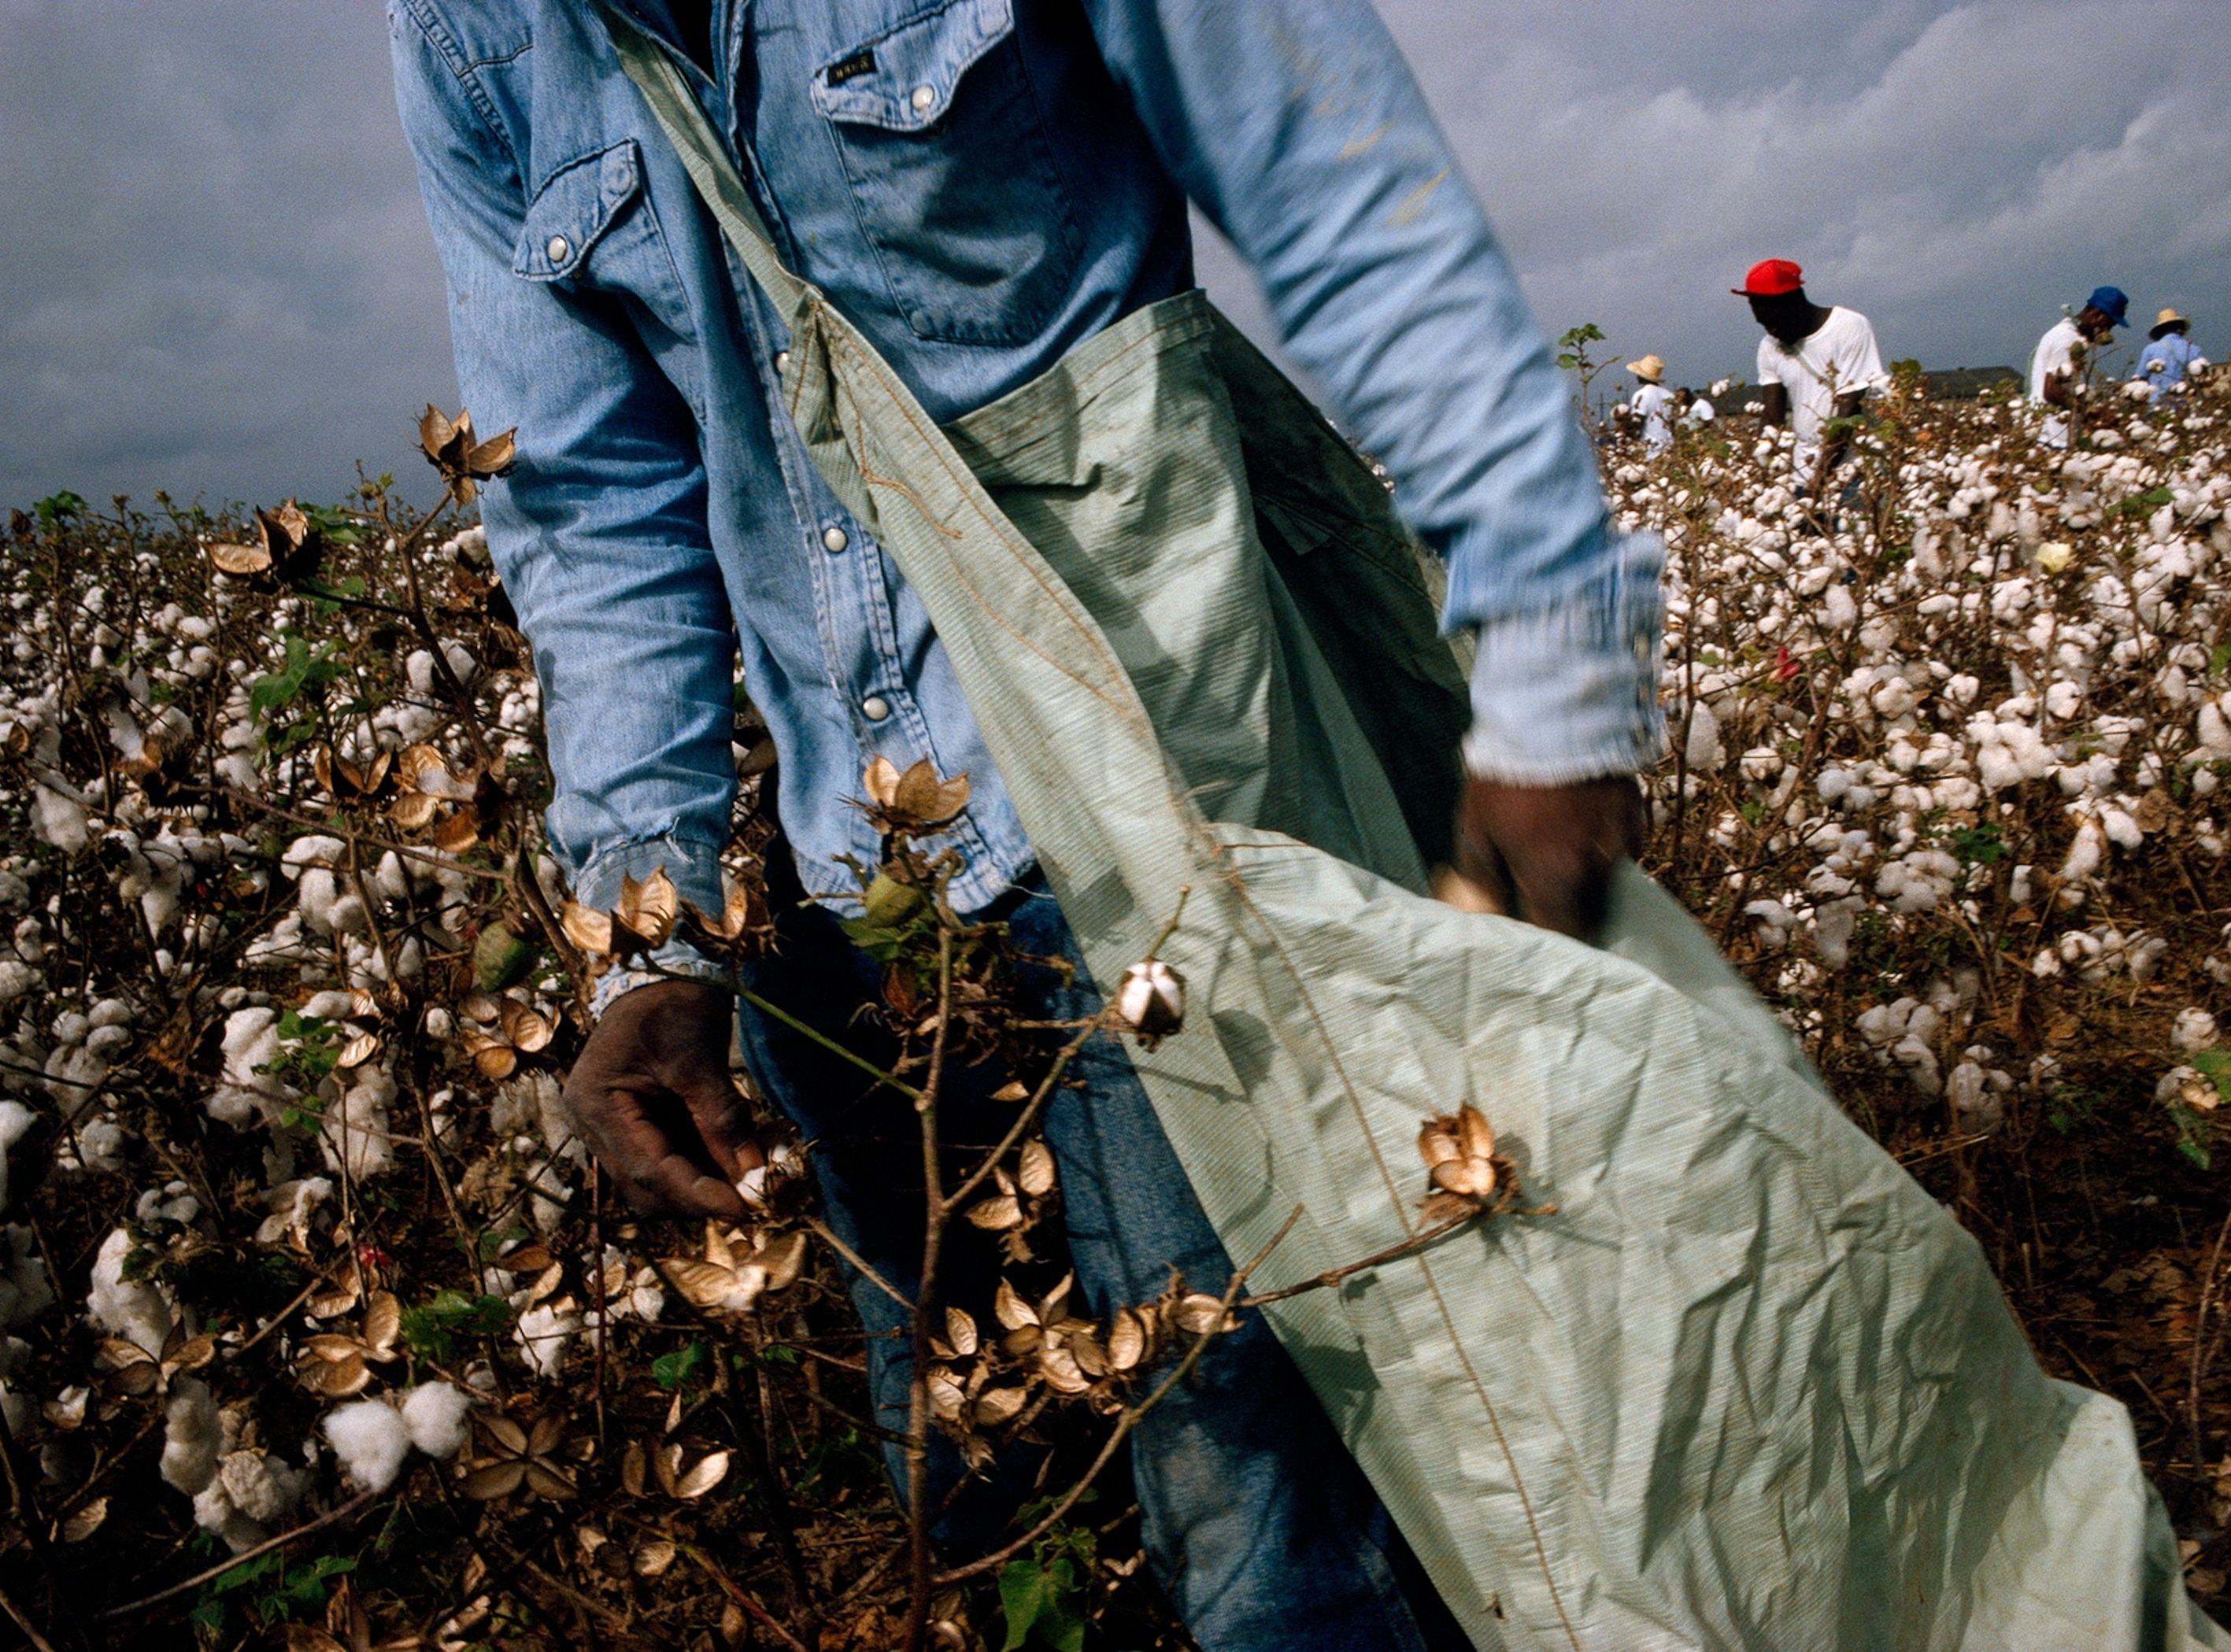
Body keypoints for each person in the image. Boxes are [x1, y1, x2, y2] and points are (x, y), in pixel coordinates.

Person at [390, 6, 1659, 1650]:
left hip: (1165, 789)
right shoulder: (475, 37)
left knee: (1273, 1510)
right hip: (856, 879)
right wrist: (656, 925)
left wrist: (1552, 651)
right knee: (971, 1493)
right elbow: (588, 495)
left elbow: (1335, 180)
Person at [1735, 257, 1887, 492]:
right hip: (1802, 476)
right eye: (1764, 325)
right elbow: (1772, 417)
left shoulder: (1849, 328)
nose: (1771, 332)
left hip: (1852, 475)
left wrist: (1819, 484)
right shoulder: (1769, 346)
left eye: (1774, 322)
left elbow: (1848, 413)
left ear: (1794, 303)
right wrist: (1761, 473)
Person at [2028, 284, 2128, 448]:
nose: (2107, 333)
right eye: (2109, 326)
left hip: (2051, 434)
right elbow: (2052, 390)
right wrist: (2092, 413)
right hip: (2051, 436)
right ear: (2098, 317)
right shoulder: (2067, 339)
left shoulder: (2068, 335)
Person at [2137, 307, 2203, 405]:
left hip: (2157, 404)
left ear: (2160, 330)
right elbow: (2202, 377)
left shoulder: (2150, 350)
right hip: (2186, 404)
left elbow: (2140, 378)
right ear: (2179, 328)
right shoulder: (2193, 349)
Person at [1625, 354, 1674, 453]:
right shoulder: (1670, 395)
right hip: (1670, 448)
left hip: (1650, 449)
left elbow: (1637, 423)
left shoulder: (1641, 395)